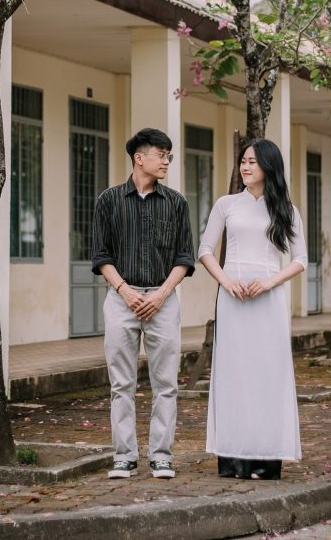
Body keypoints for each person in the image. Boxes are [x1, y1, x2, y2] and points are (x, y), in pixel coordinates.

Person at [198, 138, 307, 480]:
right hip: (233, 302)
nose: (245, 167)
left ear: (268, 167)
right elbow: (204, 250)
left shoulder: (286, 210)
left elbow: (301, 260)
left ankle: (266, 459)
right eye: (242, 161)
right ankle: (231, 459)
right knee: (233, 376)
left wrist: (270, 282)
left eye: (252, 162)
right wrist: (226, 281)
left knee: (266, 377)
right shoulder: (226, 204)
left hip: (269, 303)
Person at [92, 128, 195, 480]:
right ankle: (124, 456)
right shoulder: (108, 200)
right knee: (121, 383)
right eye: (161, 154)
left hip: (163, 299)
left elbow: (184, 257)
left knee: (165, 383)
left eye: (169, 155)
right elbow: (101, 255)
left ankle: (161, 455)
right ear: (140, 157)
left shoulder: (177, 202)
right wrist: (125, 291)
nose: (166, 161)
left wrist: (161, 294)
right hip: (122, 299)